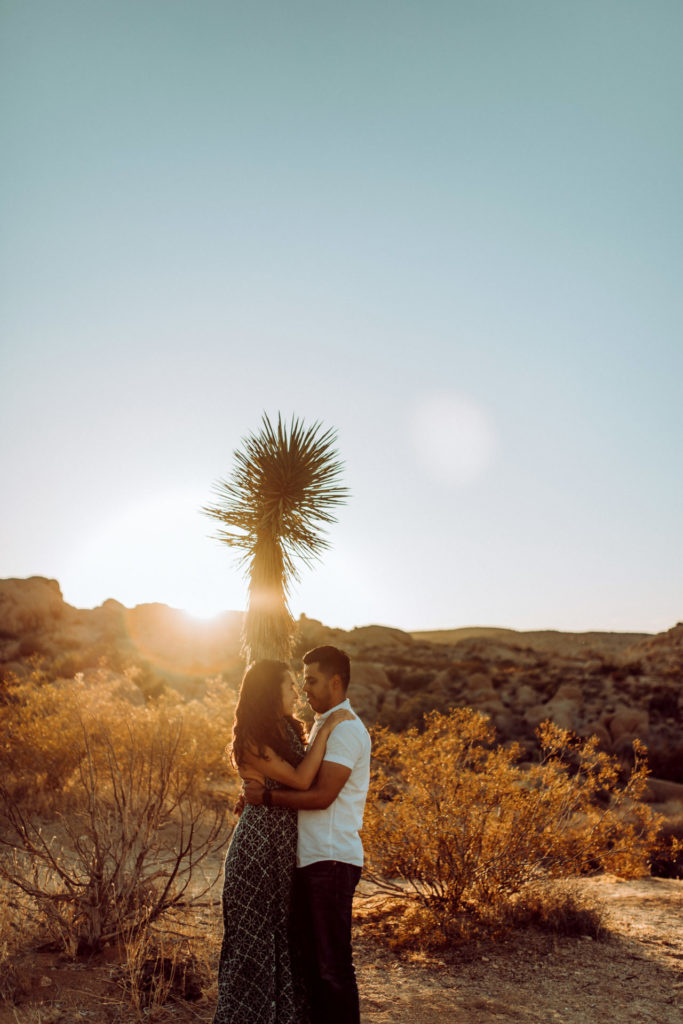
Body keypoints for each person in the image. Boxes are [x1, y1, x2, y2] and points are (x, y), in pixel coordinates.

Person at [212, 659, 354, 1024]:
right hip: (257, 850)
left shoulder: (287, 729)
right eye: (289, 685)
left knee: (285, 938)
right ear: (269, 691)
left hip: (285, 848)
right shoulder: (252, 738)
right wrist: (328, 727)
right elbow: (302, 780)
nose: (297, 692)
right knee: (256, 942)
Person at [245, 645, 372, 1024]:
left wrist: (266, 797)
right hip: (313, 859)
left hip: (332, 860)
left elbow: (321, 796)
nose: (305, 690)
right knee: (313, 966)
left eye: (312, 681)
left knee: (333, 967)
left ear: (336, 682)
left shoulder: (346, 729)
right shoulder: (323, 723)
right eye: (302, 682)